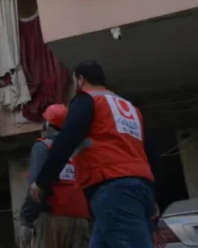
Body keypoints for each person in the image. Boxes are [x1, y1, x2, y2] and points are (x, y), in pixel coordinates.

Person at [29, 61, 160, 248]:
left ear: (81, 80)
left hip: (112, 188)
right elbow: (152, 154)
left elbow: (66, 141)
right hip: (140, 187)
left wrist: (42, 181)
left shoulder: (86, 99)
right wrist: (155, 196)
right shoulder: (131, 108)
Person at [19, 104, 90, 248]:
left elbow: (36, 188)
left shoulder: (43, 147)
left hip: (52, 220)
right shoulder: (81, 150)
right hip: (81, 222)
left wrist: (26, 220)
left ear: (47, 125)